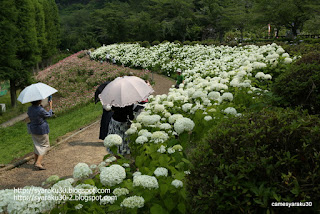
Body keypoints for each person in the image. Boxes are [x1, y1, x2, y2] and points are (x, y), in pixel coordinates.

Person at [27, 99, 53, 170]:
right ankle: (38, 163)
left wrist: (40, 107)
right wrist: (50, 106)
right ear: (39, 101)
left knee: (37, 145)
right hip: (41, 129)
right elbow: (49, 115)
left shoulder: (29, 109)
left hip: (33, 129)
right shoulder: (40, 109)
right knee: (45, 146)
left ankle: (36, 161)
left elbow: (36, 114)